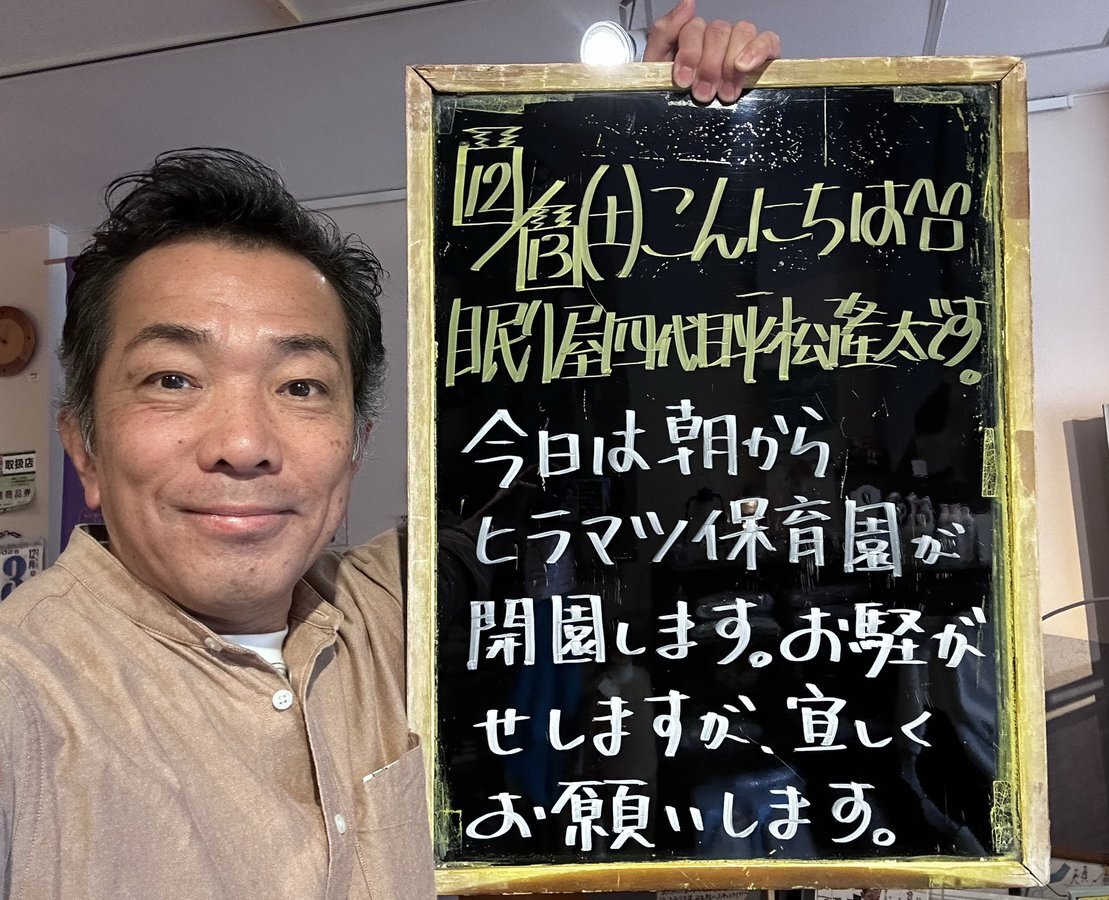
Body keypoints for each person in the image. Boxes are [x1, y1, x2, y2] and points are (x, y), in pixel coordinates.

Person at [0, 5, 778, 897]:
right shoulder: (24, 702)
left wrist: (660, 141)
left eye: (301, 385)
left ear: (356, 447)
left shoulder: (391, 613)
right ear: (83, 446)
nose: (244, 445)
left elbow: (568, 454)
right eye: (174, 378)